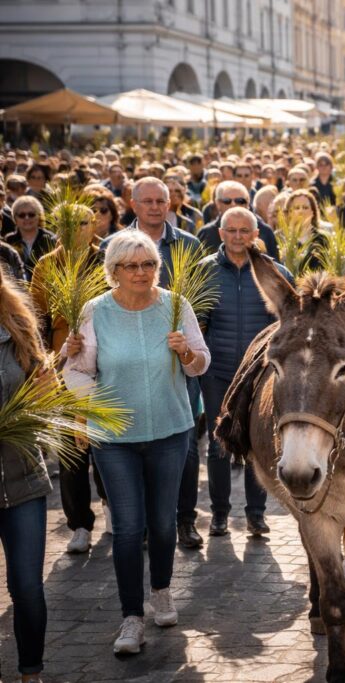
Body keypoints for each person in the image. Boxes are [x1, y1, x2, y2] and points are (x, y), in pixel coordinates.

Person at [64, 230, 211, 655]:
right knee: (129, 529)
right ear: (113, 271)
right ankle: (131, 618)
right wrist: (96, 407)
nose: (141, 272)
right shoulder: (95, 312)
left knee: (164, 523)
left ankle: (161, 590)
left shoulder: (175, 306)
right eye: (131, 265)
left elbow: (201, 363)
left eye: (148, 264)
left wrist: (186, 353)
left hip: (170, 430)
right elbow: (76, 370)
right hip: (115, 439)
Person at [198, 207, 287, 539]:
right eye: (231, 230)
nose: (237, 237)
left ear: (255, 234)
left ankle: (256, 514)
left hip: (259, 374)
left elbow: (287, 322)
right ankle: (219, 514)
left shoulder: (275, 273)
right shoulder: (204, 272)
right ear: (220, 234)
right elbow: (196, 323)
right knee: (219, 444)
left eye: (244, 231)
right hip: (217, 371)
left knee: (257, 442)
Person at [30, 205, 109, 554]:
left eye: (82, 223)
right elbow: (37, 320)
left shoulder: (107, 259)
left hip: (106, 365)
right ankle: (79, 524)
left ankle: (113, 508)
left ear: (93, 226)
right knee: (71, 451)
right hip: (64, 370)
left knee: (107, 443)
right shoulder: (46, 264)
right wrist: (45, 364)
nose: (74, 229)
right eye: (67, 224)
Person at [0, 264, 52, 683]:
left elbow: (42, 387)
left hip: (23, 476)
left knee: (28, 589)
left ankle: (30, 673)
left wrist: (43, 390)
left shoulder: (17, 325)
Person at [196, 181, 279, 261]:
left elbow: (275, 268)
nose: (233, 204)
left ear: (248, 203)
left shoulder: (265, 231)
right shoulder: (206, 233)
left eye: (240, 201)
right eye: (227, 201)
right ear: (218, 204)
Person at [4, 196, 55, 279]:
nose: (27, 218)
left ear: (39, 216)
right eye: (22, 215)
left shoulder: (50, 239)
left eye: (31, 214)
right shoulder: (9, 240)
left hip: (43, 287)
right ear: (15, 218)